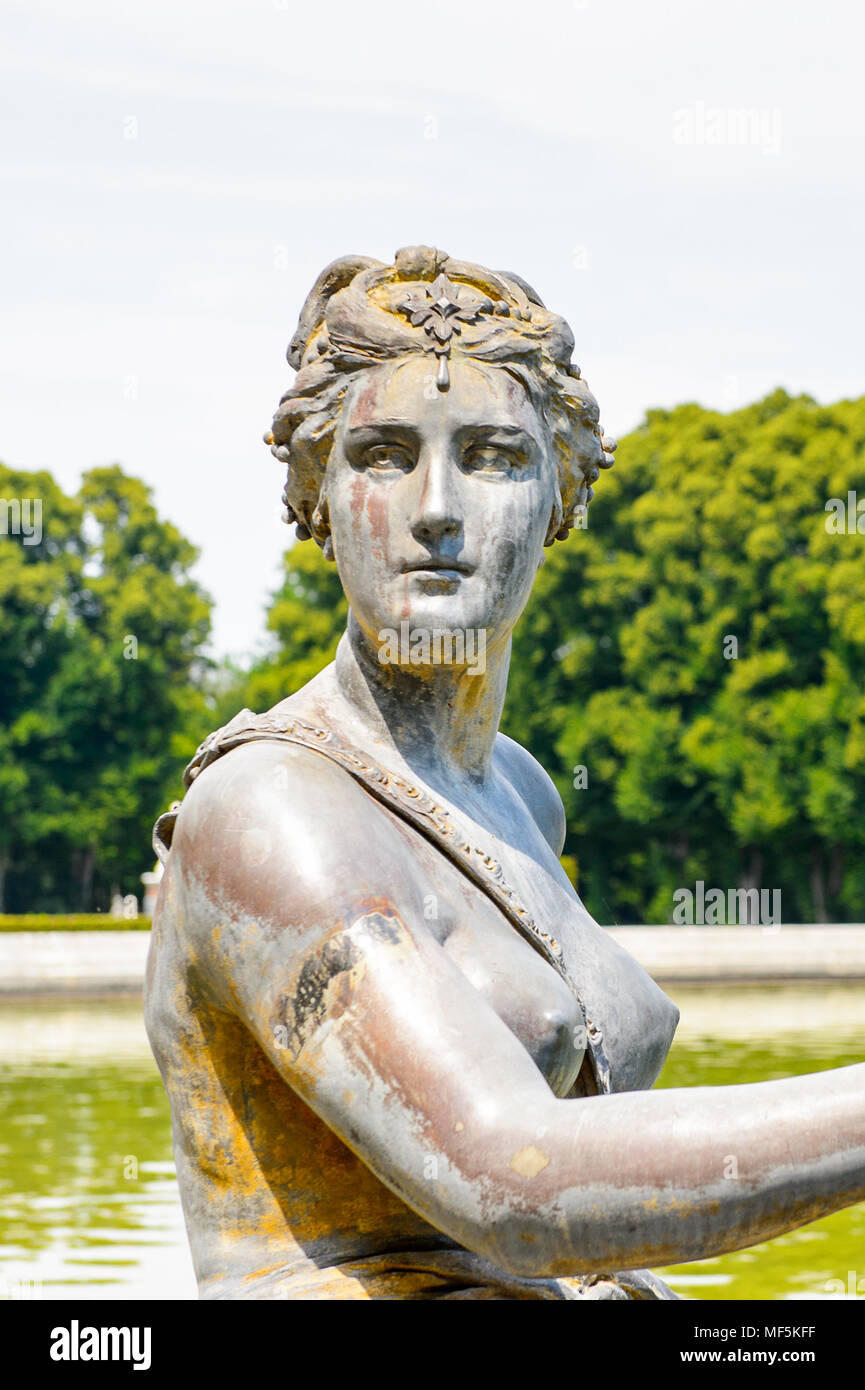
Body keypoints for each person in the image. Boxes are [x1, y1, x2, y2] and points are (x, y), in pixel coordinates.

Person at [145, 246, 865, 1300]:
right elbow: (509, 1181)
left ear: (561, 495)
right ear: (319, 497)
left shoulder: (520, 792)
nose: (436, 506)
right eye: (383, 453)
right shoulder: (271, 807)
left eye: (490, 455)